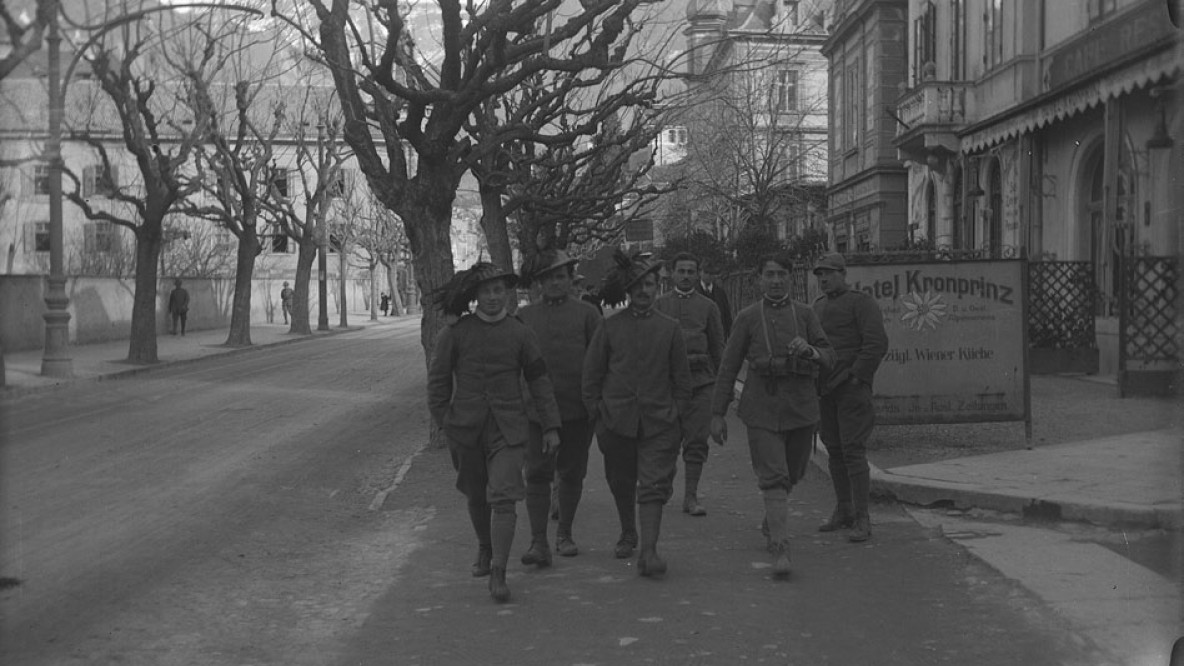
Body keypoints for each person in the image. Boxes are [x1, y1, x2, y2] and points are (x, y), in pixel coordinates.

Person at [427, 262, 562, 603]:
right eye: (486, 291)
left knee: (503, 496)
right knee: (476, 495)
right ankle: (485, 548)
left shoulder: (521, 333)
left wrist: (550, 426)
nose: (492, 297)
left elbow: (539, 381)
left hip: (509, 428)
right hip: (466, 429)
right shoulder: (456, 333)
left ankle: (500, 572)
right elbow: (438, 381)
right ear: (475, 296)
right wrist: (444, 421)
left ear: (508, 294)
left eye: (499, 290)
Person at [710, 254, 834, 578]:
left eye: (781, 274)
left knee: (793, 472)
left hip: (800, 406)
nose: (776, 281)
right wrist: (717, 413)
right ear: (759, 279)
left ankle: (772, 519)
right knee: (774, 476)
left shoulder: (806, 315)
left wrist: (811, 351)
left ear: (790, 279)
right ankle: (781, 547)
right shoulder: (747, 318)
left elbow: (829, 355)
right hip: (761, 405)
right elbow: (728, 366)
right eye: (769, 274)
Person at [583, 250, 692, 578]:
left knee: (654, 483)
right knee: (621, 480)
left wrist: (676, 415)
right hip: (616, 421)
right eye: (639, 285)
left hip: (660, 422)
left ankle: (649, 549)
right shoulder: (609, 327)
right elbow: (592, 376)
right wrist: (599, 418)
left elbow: (682, 381)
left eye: (651, 284)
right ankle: (627, 531)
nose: (645, 291)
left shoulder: (671, 328)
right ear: (628, 291)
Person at [516, 249, 603, 565]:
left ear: (570, 280)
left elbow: (600, 360)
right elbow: (515, 366)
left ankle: (564, 533)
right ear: (539, 283)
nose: (555, 283)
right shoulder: (524, 318)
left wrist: (596, 403)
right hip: (535, 413)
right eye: (548, 277)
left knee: (571, 474)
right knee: (537, 475)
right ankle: (538, 542)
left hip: (578, 411)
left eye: (561, 276)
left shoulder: (588, 315)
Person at [812, 252, 889, 543]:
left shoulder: (861, 303)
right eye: (819, 274)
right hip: (825, 389)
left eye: (829, 273)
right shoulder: (817, 307)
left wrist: (857, 377)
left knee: (853, 450)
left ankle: (862, 517)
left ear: (843, 273)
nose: (823, 279)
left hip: (851, 390)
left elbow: (876, 343)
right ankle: (843, 509)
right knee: (833, 449)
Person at [654, 252, 725, 517]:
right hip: (668, 386)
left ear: (697, 275)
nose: (686, 276)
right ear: (671, 274)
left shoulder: (709, 307)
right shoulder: (659, 305)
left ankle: (691, 496)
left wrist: (721, 393)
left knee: (696, 441)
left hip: (701, 383)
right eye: (681, 271)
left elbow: (719, 349)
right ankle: (665, 483)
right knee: (667, 441)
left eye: (691, 271)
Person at [697, 263, 733, 336]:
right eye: (706, 272)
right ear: (700, 273)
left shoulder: (720, 293)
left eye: (711, 273)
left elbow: (727, 316)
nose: (708, 276)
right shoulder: (694, 292)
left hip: (718, 337)